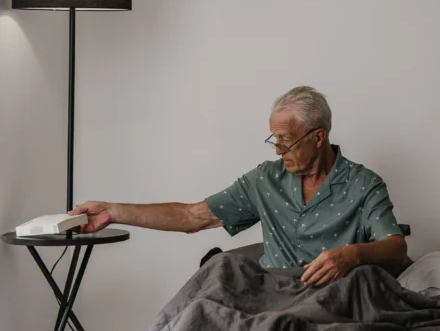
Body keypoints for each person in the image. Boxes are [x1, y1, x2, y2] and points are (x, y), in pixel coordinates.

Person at [71, 86, 409, 287]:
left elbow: (396, 248)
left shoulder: (364, 185)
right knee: (213, 286)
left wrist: (351, 255)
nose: (277, 150)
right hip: (273, 295)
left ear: (318, 137)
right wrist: (112, 212)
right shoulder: (265, 179)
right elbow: (192, 217)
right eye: (274, 140)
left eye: (286, 141)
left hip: (336, 295)